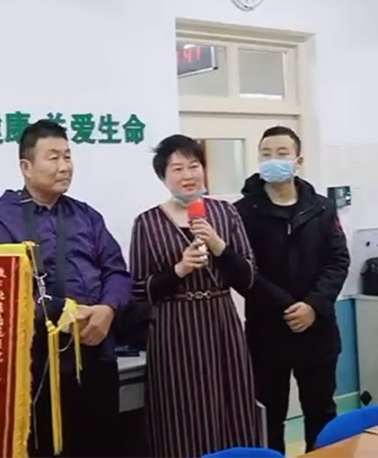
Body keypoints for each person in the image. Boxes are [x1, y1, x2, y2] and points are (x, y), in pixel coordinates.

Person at [0, 119, 132, 457]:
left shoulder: (86, 216)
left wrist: (108, 309)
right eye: (53, 157)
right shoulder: (1, 219)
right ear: (26, 167)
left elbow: (117, 272)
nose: (64, 166)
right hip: (38, 366)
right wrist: (63, 312)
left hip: (94, 353)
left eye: (68, 156)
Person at [129, 134, 261, 457]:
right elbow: (139, 290)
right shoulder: (147, 223)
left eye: (194, 166)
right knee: (182, 412)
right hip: (174, 330)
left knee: (233, 404)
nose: (188, 175)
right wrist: (179, 270)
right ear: (163, 176)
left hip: (222, 324)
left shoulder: (226, 213)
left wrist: (218, 246)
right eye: (177, 169)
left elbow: (248, 278)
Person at [235, 126, 350, 453]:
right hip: (267, 331)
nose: (273, 160)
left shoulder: (322, 208)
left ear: (298, 160)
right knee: (269, 418)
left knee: (321, 413)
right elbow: (244, 272)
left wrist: (313, 305)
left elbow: (338, 261)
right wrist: (286, 306)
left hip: (318, 329)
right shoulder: (242, 212)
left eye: (281, 153)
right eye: (266, 154)